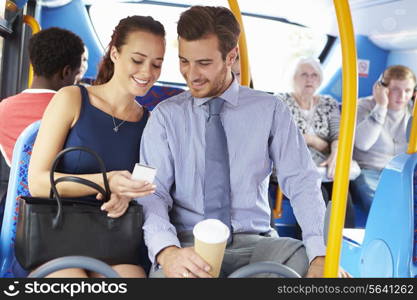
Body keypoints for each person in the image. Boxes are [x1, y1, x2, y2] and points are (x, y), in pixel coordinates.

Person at [138, 6, 348, 278]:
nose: (191, 74)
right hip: (187, 243)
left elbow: (302, 181)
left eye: (204, 63)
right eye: (184, 61)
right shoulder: (165, 116)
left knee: (314, 268)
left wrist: (321, 256)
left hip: (256, 243)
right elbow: (151, 193)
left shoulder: (270, 109)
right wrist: (167, 251)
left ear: (231, 56)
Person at [28, 15, 165, 278]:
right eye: (137, 60)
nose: (147, 72)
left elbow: (145, 185)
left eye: (156, 64)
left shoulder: (152, 122)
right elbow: (38, 182)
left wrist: (126, 194)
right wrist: (107, 181)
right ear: (115, 53)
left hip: (116, 241)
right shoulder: (72, 98)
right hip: (57, 235)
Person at [276, 57, 356, 228]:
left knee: (342, 194)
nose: (309, 79)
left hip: (324, 166)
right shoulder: (280, 101)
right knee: (316, 194)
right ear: (293, 78)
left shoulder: (328, 103)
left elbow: (338, 136)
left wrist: (335, 153)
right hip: (294, 165)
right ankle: (314, 250)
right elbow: (280, 137)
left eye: (314, 75)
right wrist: (314, 141)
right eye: (304, 74)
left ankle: (343, 248)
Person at [0, 27, 84, 166]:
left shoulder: (3, 109)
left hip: (16, 186)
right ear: (66, 72)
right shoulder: (79, 109)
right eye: (76, 74)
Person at [351, 65, 416, 215]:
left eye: (407, 91)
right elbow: (363, 143)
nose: (402, 96)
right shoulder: (364, 106)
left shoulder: (412, 112)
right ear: (382, 88)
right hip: (368, 171)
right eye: (395, 89)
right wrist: (381, 107)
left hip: (401, 172)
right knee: (381, 208)